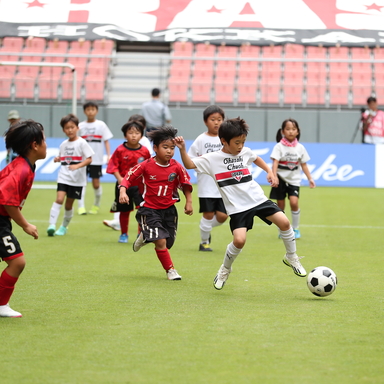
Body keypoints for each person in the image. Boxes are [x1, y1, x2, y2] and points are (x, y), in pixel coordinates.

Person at [175, 117, 306, 291]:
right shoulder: (212, 158)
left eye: (243, 142)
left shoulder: (244, 152)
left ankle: (291, 256)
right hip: (237, 208)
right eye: (237, 143)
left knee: (284, 222)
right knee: (239, 240)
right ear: (223, 141)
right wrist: (183, 149)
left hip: (257, 199)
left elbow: (256, 157)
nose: (240, 146)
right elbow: (189, 164)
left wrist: (269, 172)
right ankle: (225, 269)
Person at [119, 126, 193, 281]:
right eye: (165, 147)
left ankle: (145, 236)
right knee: (161, 242)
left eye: (172, 148)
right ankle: (171, 270)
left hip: (169, 210)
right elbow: (128, 177)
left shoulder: (176, 166)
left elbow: (186, 184)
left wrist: (189, 202)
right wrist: (122, 191)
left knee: (168, 242)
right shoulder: (146, 165)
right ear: (155, 148)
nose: (169, 151)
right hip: (149, 210)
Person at [0, 119, 47, 317]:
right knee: (17, 262)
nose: (46, 144)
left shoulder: (25, 165)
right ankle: (1, 305)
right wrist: (25, 225)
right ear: (34, 145)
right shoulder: (21, 169)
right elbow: (7, 201)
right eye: (43, 140)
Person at [103, 114, 154, 232]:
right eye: (130, 133)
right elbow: (113, 165)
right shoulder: (120, 150)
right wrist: (120, 179)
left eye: (137, 133)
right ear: (125, 135)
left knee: (142, 210)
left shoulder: (145, 151)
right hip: (123, 186)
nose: (134, 135)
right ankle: (124, 234)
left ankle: (140, 235)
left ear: (141, 135)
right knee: (124, 211)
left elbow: (148, 168)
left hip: (139, 186)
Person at [188, 105, 228, 251]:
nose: (216, 122)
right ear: (206, 121)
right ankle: (204, 242)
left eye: (219, 119)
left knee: (223, 216)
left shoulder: (225, 139)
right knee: (208, 214)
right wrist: (200, 167)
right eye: (213, 119)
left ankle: (205, 228)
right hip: (206, 185)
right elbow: (191, 158)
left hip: (223, 184)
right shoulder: (201, 139)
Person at [47, 114, 94, 236]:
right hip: (64, 176)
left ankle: (63, 227)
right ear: (63, 130)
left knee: (68, 205)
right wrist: (58, 158)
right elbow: (65, 158)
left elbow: (89, 159)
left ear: (77, 128)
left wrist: (77, 166)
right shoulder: (63, 144)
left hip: (77, 179)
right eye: (67, 128)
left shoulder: (82, 143)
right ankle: (51, 225)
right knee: (59, 199)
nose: (70, 130)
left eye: (72, 127)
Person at [269, 118, 316, 239]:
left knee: (294, 202)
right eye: (288, 129)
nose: (291, 131)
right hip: (280, 179)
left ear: (298, 132)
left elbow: (304, 164)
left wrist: (310, 178)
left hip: (294, 180)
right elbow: (275, 162)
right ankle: (282, 229)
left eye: (293, 129)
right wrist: (274, 176)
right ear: (283, 131)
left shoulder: (300, 148)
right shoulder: (279, 147)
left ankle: (295, 228)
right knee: (280, 205)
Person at [78, 101, 113, 215]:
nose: (90, 112)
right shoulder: (81, 126)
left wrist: (108, 155)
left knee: (96, 184)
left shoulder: (101, 125)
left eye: (93, 109)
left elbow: (106, 141)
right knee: (82, 183)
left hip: (96, 160)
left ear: (96, 111)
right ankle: (81, 206)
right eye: (88, 109)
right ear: (84, 111)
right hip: (83, 160)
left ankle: (96, 205)